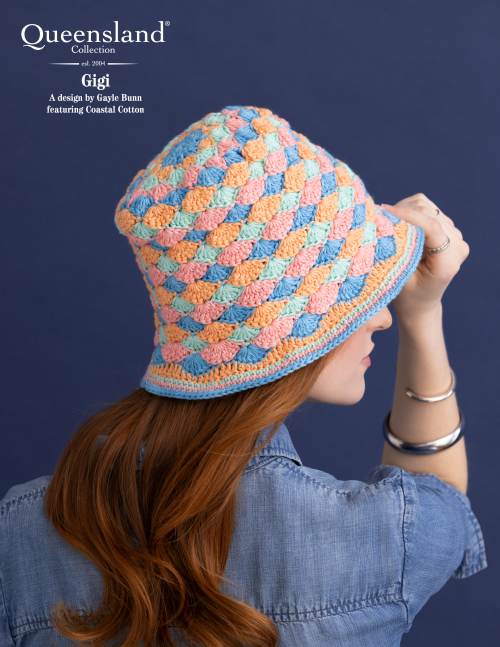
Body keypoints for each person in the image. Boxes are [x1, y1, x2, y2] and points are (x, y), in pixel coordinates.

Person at [0, 105, 487, 647]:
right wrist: (423, 315)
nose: (382, 318)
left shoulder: (19, 533)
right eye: (354, 294)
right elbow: (441, 498)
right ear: (282, 324)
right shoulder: (380, 538)